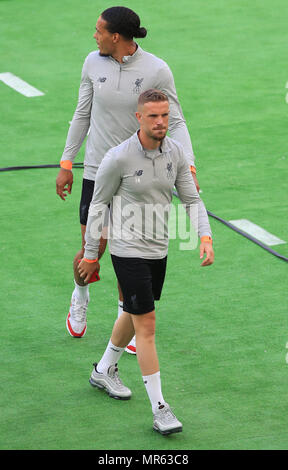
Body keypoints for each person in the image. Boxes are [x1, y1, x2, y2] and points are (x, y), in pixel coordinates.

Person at [56, 6, 200, 352]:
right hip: (97, 173)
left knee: (129, 255)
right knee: (95, 249)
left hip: (137, 178)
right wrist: (66, 160)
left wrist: (189, 166)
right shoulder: (92, 63)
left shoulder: (156, 69)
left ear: (115, 37)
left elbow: (176, 122)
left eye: (99, 30)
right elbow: (82, 112)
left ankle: (130, 319)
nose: (95, 36)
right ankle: (81, 293)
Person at [78, 90, 214, 435]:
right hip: (127, 250)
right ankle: (160, 408)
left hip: (158, 250)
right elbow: (98, 206)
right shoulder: (118, 158)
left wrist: (205, 236)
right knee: (147, 325)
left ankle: (104, 369)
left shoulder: (176, 153)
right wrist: (92, 254)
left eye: (165, 116)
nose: (160, 123)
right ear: (139, 118)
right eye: (153, 117)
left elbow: (192, 198)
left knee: (133, 310)